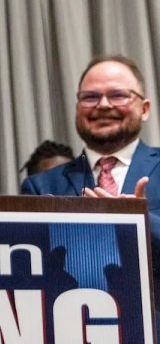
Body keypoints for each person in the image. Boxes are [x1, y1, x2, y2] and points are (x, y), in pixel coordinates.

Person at [20, 54, 160, 280]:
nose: (103, 105)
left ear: (144, 109)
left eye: (118, 95)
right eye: (90, 97)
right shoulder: (40, 186)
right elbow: (33, 270)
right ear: (77, 108)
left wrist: (138, 219)